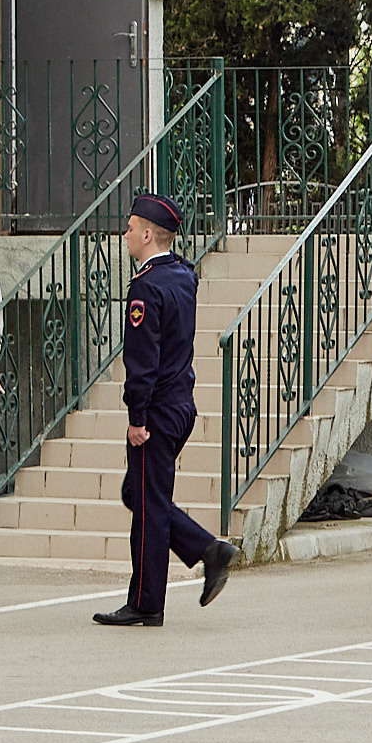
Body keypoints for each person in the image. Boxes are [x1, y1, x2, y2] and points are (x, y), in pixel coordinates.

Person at [92, 192, 238, 628]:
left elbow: (142, 361)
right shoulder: (181, 275)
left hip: (156, 408)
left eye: (131, 228)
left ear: (149, 234)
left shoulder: (146, 286)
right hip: (179, 404)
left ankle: (147, 601)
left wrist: (136, 417)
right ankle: (205, 550)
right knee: (137, 495)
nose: (127, 234)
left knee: (150, 504)